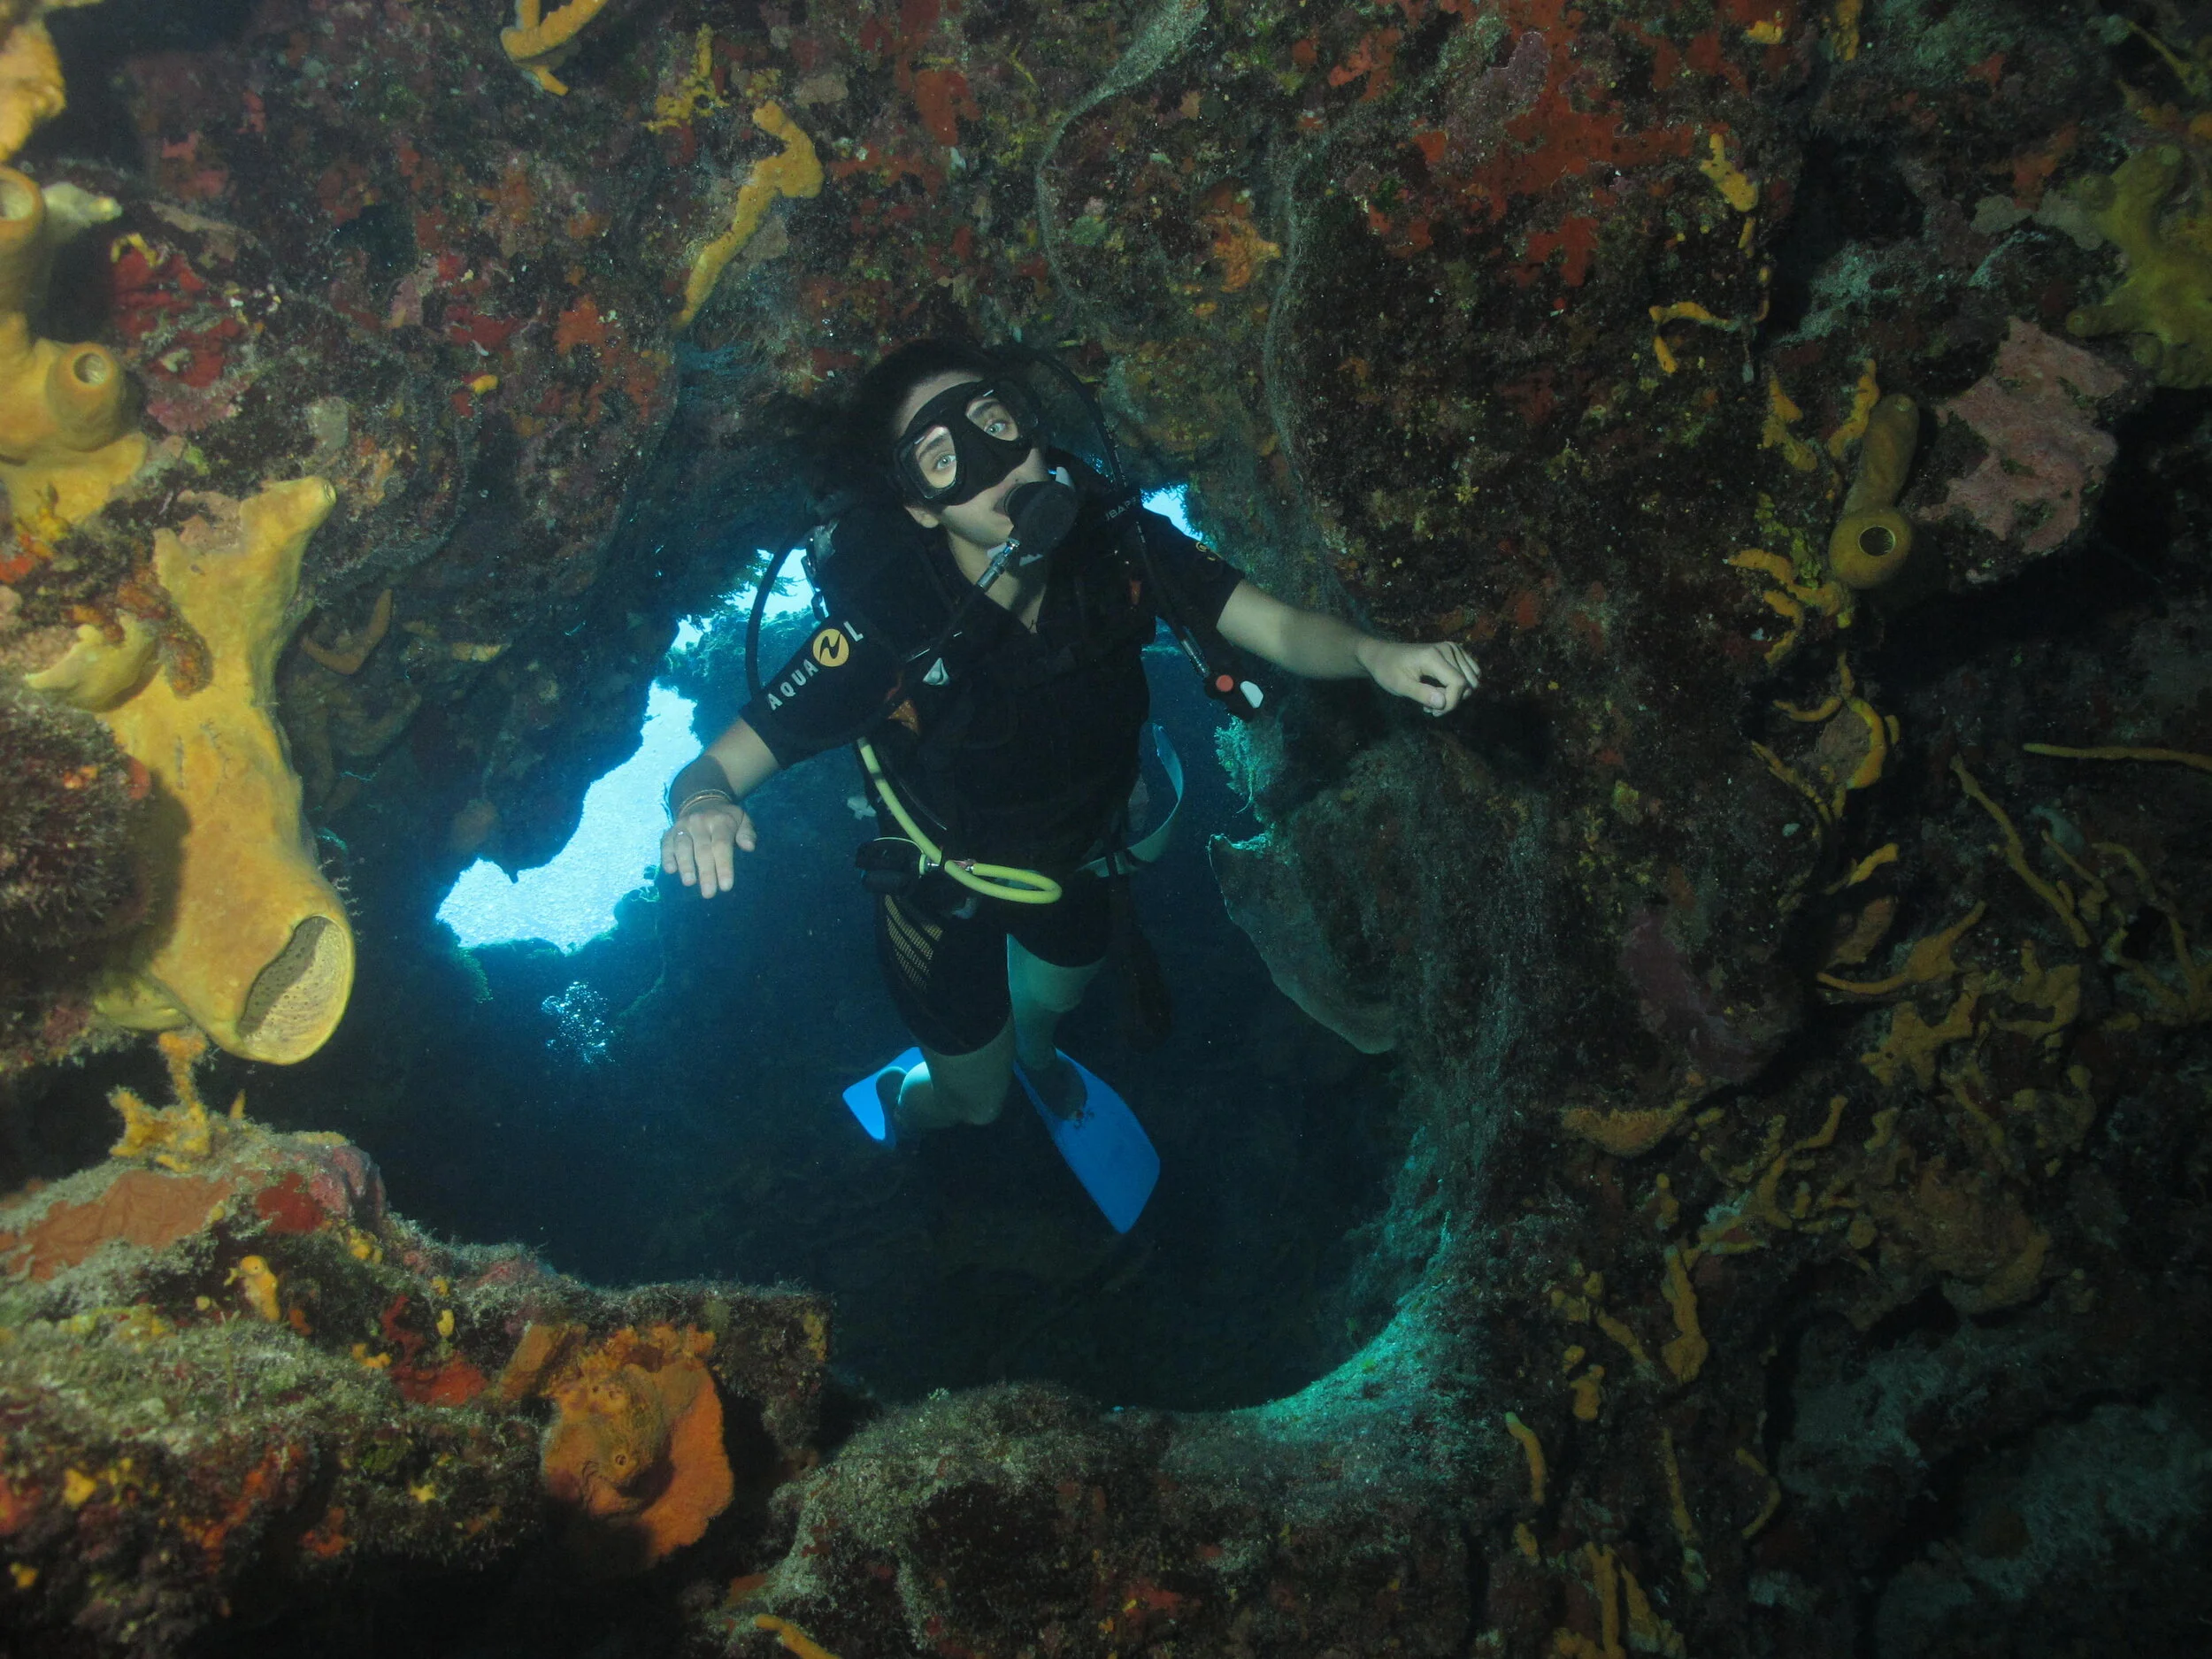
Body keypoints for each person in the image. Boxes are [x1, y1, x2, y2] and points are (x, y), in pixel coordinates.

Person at [660, 340, 1478, 1140]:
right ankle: (907, 1099)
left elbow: (1277, 627)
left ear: (1032, 423)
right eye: (943, 458)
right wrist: (701, 807)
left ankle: (1038, 1053)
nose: (994, 465)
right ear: (919, 504)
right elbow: (715, 767)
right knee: (976, 1104)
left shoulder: (1114, 539)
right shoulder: (888, 625)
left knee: (1050, 1003)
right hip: (945, 887)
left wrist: (1373, 654)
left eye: (995, 422)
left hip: (1080, 857)